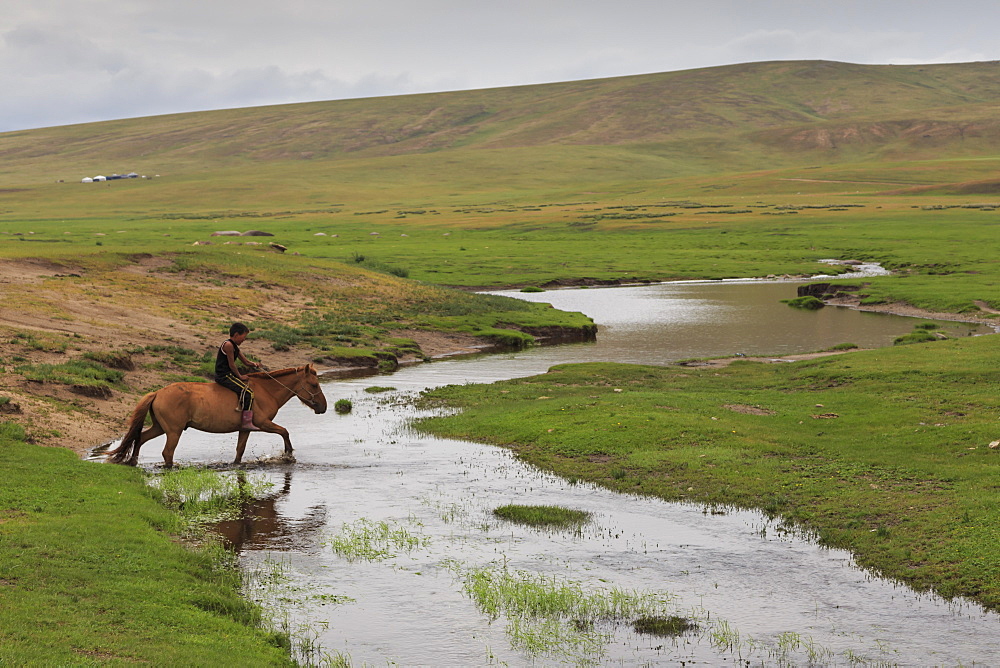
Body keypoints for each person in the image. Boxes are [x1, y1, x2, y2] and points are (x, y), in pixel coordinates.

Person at [215, 322, 262, 431]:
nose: (244, 339)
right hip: (224, 375)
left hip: (229, 374)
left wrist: (254, 364)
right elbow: (232, 365)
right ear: (236, 335)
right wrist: (240, 376)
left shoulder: (235, 346)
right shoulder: (228, 345)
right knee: (248, 393)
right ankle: (246, 422)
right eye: (243, 337)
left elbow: (245, 361)